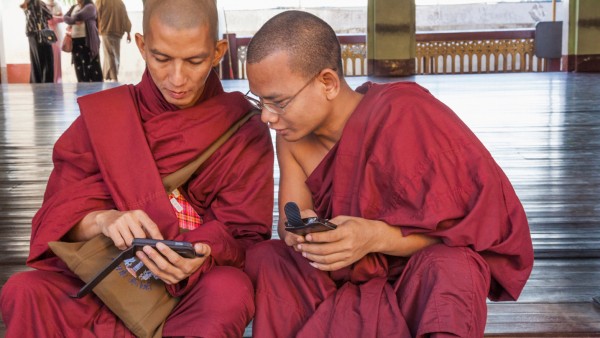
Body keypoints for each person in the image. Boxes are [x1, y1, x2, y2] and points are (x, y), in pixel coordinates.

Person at [243, 10, 534, 338]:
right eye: (259, 101)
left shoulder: (405, 113)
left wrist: (374, 237)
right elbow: (288, 219)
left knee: (456, 267)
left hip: (413, 282)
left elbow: (475, 233)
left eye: (278, 102)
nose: (267, 116)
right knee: (268, 258)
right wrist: (301, 233)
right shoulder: (291, 138)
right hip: (336, 278)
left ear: (327, 83)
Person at [0, 0, 273, 336]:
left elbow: (246, 238)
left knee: (230, 290)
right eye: (161, 59)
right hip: (105, 279)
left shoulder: (242, 131)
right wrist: (103, 219)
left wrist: (200, 253)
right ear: (142, 46)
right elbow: (57, 216)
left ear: (217, 53)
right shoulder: (108, 117)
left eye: (195, 61)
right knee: (25, 290)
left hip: (187, 291)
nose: (177, 78)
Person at [63, 0, 103, 82]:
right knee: (79, 66)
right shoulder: (74, 7)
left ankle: (95, 91)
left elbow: (80, 16)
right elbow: (65, 18)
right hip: (75, 40)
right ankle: (82, 87)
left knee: (90, 66)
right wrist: (73, 20)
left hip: (87, 41)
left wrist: (72, 19)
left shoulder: (90, 7)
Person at [96, 0, 132, 82]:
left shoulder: (101, 1)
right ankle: (109, 76)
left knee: (109, 54)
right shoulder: (120, 2)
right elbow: (125, 17)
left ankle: (113, 76)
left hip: (106, 31)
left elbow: (96, 14)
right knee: (115, 54)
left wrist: (97, 28)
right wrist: (128, 32)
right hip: (118, 32)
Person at [20, 0, 54, 83]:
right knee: (46, 60)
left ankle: (37, 81)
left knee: (35, 60)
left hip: (31, 34)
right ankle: (45, 81)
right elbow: (50, 16)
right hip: (42, 34)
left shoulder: (26, 5)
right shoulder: (40, 3)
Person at [45, 0, 63, 83]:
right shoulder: (44, 6)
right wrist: (56, 17)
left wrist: (54, 17)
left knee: (57, 56)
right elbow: (47, 20)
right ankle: (50, 78)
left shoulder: (58, 5)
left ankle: (58, 79)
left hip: (56, 33)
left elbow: (63, 18)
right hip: (47, 33)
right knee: (48, 56)